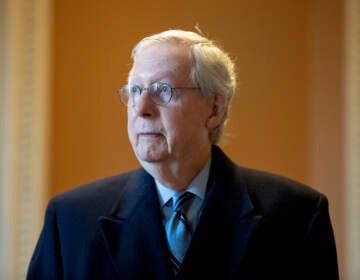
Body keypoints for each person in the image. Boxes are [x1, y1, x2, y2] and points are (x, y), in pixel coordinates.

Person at [27, 29, 339, 280]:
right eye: (134, 90)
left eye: (162, 90)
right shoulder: (70, 219)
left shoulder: (297, 215)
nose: (142, 109)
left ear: (214, 109)